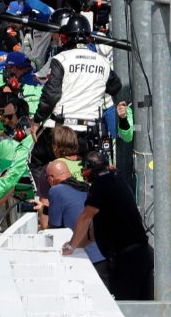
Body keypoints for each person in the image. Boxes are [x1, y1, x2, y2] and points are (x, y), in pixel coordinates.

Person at [64, 151, 161, 317]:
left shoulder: (101, 184)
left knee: (130, 310)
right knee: (143, 308)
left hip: (128, 259)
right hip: (139, 253)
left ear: (89, 169)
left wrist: (71, 246)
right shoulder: (116, 179)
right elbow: (96, 229)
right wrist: (78, 243)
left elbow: (85, 217)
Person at [30, 14, 121, 188]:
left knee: (35, 161)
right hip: (90, 132)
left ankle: (46, 203)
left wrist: (36, 121)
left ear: (65, 37)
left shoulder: (61, 59)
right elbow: (115, 87)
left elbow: (51, 94)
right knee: (91, 172)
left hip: (61, 131)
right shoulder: (102, 62)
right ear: (88, 38)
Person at [42, 159, 107, 283]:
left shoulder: (56, 190)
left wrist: (42, 212)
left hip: (87, 257)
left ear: (51, 178)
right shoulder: (84, 187)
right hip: (104, 253)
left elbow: (54, 229)